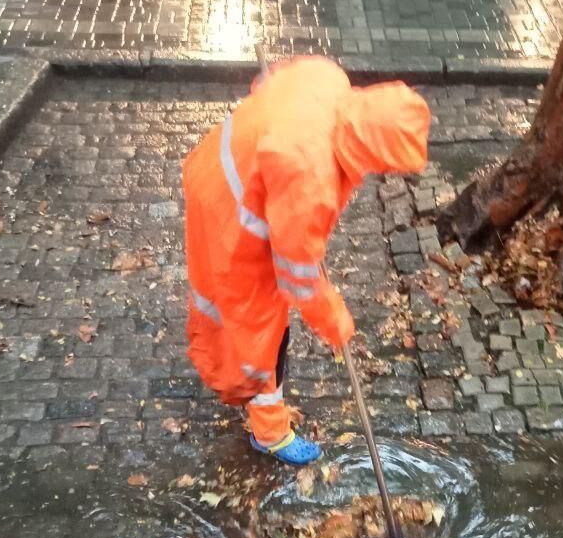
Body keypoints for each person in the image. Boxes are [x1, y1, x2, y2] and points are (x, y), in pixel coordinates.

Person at [182, 57, 431, 466]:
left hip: (220, 168)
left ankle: (247, 386)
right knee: (261, 333)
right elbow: (296, 275)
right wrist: (334, 320)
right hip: (232, 220)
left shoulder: (327, 78)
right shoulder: (310, 176)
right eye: (381, 163)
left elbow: (268, 79)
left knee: (247, 320)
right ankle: (271, 433)